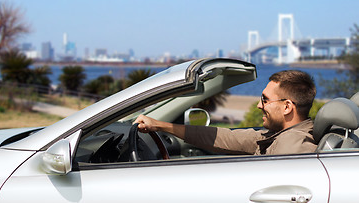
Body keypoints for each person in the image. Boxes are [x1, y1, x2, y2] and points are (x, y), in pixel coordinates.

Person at [133, 70, 317, 155]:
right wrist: (159, 125)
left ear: (287, 107)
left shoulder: (294, 145)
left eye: (265, 100)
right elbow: (225, 137)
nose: (259, 106)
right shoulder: (277, 136)